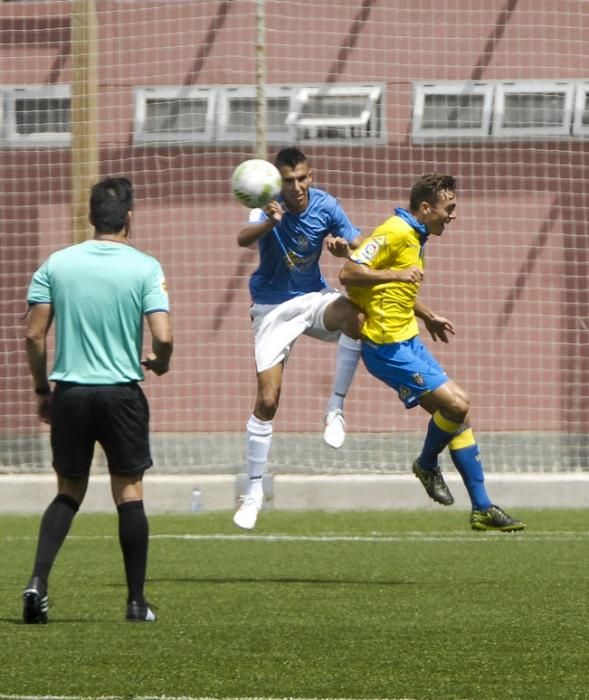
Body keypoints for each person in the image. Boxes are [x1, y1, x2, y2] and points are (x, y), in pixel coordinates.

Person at [22, 176, 173, 623]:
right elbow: (163, 335)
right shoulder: (144, 267)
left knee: (68, 491)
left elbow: (33, 334)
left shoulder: (57, 263)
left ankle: (37, 582)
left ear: (91, 218)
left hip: (70, 393)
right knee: (128, 492)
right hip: (121, 393)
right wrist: (160, 361)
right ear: (129, 218)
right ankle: (135, 602)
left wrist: (42, 389)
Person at [338, 173, 525, 532]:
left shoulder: (416, 234)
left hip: (409, 339)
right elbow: (349, 272)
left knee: (457, 418)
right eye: (448, 208)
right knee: (457, 405)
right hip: (386, 347)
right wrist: (395, 275)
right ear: (425, 208)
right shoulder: (394, 231)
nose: (452, 215)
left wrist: (428, 316)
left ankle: (483, 508)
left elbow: (398, 290)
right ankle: (426, 464)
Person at [233, 146, 364, 530]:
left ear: (311, 175)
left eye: (302, 178)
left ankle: (335, 408)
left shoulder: (326, 205)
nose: (297, 187)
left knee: (356, 316)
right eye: (289, 181)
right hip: (272, 307)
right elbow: (244, 238)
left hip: (311, 299)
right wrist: (270, 223)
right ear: (278, 181)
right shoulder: (266, 204)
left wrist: (345, 250)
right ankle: (253, 491)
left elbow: (360, 245)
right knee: (268, 400)